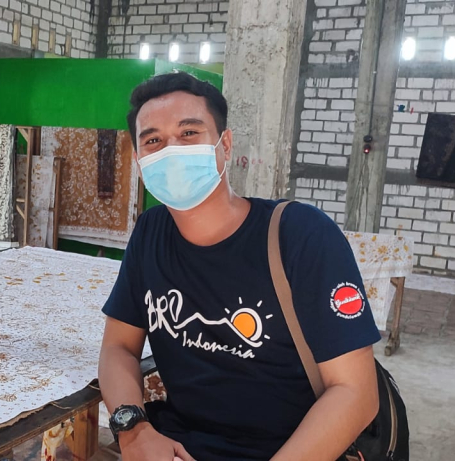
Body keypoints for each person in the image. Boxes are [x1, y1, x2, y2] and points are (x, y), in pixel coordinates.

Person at [98, 72, 380, 461]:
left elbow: (356, 393)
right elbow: (118, 347)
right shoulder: (151, 232)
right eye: (153, 141)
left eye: (189, 133)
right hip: (181, 444)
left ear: (225, 145)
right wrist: (134, 430)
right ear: (139, 161)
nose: (171, 151)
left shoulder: (300, 235)